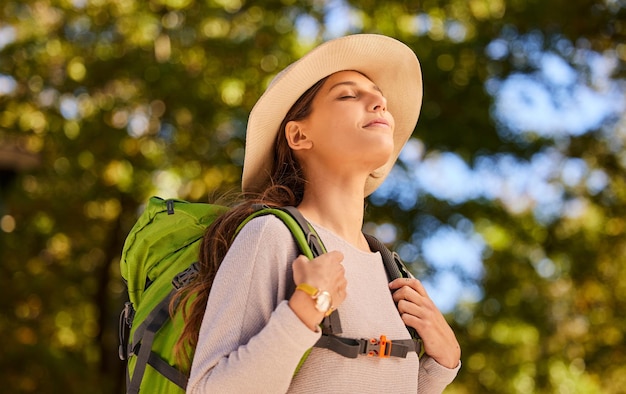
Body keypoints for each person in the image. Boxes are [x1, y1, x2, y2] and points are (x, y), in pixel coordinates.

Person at [176, 34, 461, 393]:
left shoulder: (390, 271)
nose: (379, 102)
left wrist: (442, 364)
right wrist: (305, 310)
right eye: (348, 95)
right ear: (299, 135)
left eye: (380, 97)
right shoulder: (272, 237)